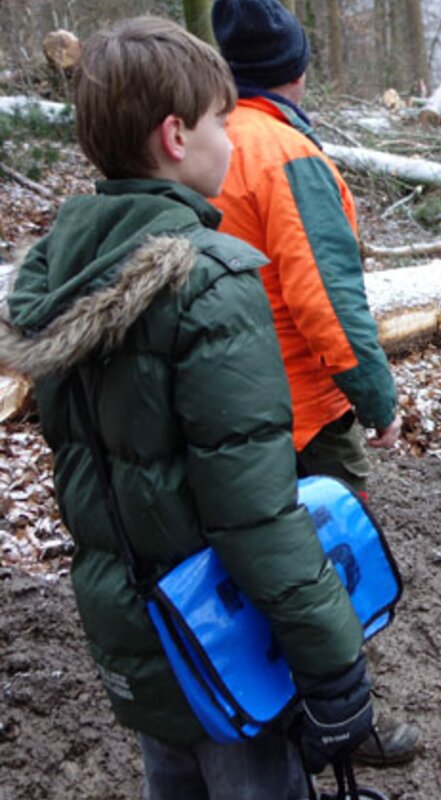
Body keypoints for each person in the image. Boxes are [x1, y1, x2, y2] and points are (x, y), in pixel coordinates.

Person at [0, 17, 374, 798]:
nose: (232, 139)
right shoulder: (211, 280)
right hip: (222, 631)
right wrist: (334, 658)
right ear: (175, 136)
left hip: (135, 626)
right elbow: (252, 511)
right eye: (219, 120)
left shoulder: (63, 274)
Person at [208, 0, 420, 765]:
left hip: (218, 414)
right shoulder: (285, 153)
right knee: (329, 574)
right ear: (297, 67)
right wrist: (377, 399)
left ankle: (253, 709)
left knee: (240, 569)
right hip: (299, 415)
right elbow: (326, 301)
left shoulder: (198, 140)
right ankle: (341, 722)